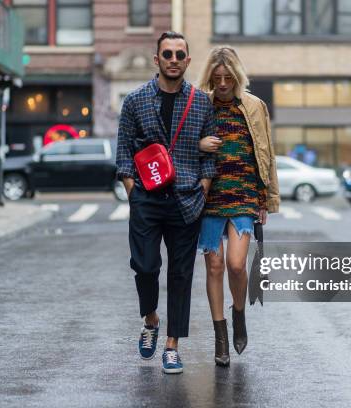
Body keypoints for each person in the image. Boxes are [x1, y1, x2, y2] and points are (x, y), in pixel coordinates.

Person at [116, 32, 216, 374]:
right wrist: (134, 191)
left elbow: (211, 156)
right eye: (167, 54)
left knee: (181, 274)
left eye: (179, 54)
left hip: (187, 200)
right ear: (156, 59)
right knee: (144, 266)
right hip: (146, 198)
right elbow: (123, 153)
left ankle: (172, 346)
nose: (173, 59)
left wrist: (203, 187)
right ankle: (151, 318)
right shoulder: (135, 100)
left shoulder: (202, 103)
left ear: (188, 61)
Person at [197, 46, 279, 367]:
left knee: (235, 264)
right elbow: (184, 145)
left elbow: (266, 154)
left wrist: (265, 199)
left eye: (227, 78)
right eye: (216, 78)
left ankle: (239, 313)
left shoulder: (255, 106)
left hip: (245, 195)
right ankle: (220, 337)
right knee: (214, 267)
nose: (221, 83)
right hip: (208, 197)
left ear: (237, 76)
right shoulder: (199, 105)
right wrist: (200, 144)